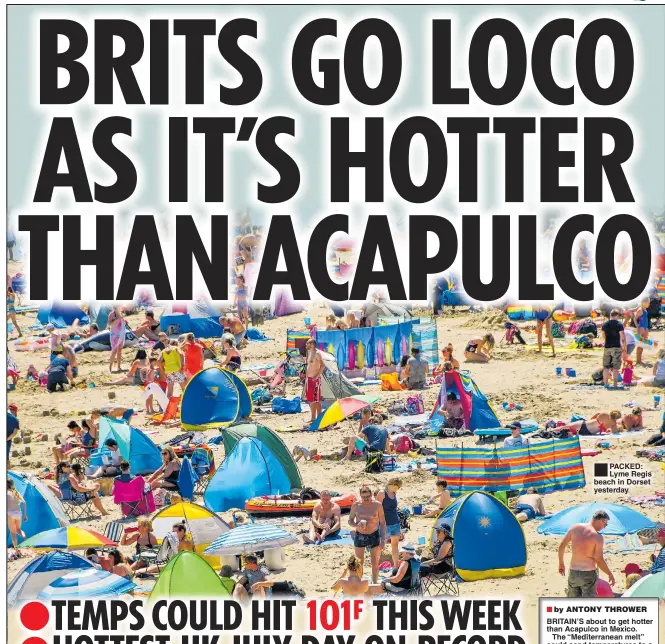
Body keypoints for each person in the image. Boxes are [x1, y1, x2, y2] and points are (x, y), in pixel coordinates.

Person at [558, 509, 615, 597]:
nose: (605, 526)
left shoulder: (575, 528)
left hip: (573, 572)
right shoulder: (597, 537)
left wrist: (561, 563)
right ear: (601, 520)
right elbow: (599, 560)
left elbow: (562, 546)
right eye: (605, 524)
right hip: (588, 573)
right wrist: (609, 573)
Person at [348, 485, 386, 583]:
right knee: (359, 562)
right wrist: (356, 525)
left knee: (375, 562)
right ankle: (360, 583)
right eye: (363, 497)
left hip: (374, 534)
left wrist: (383, 539)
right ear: (360, 496)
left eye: (368, 497)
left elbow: (382, 522)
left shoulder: (377, 505)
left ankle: (375, 583)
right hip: (360, 535)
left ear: (371, 495)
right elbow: (350, 521)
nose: (366, 499)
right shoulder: (356, 505)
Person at [376, 478, 403, 566]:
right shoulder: (382, 493)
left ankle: (396, 567)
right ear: (391, 484)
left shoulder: (394, 493)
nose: (397, 489)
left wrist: (400, 528)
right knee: (380, 547)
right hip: (385, 524)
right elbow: (376, 509)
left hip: (396, 523)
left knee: (395, 547)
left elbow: (395, 509)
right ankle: (375, 566)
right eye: (397, 487)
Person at [602, 309, 626, 388]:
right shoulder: (619, 324)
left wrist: (605, 342)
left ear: (610, 315)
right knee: (616, 367)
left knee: (606, 367)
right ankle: (615, 385)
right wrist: (624, 345)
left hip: (607, 347)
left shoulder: (605, 324)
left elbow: (603, 335)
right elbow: (622, 336)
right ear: (617, 316)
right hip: (616, 347)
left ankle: (606, 384)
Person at [305, 338, 325, 424]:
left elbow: (323, 365)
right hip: (309, 379)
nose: (306, 345)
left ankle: (319, 417)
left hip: (315, 379)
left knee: (317, 399)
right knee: (311, 399)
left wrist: (317, 376)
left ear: (312, 344)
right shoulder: (310, 353)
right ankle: (313, 418)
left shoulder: (317, 353)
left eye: (307, 343)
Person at [7, 477, 27, 549]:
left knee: (13, 533)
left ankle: (16, 549)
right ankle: (25, 538)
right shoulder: (15, 492)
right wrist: (25, 515)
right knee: (18, 530)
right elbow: (24, 503)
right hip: (19, 513)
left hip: (10, 513)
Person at [107, 308, 127, 373]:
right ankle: (110, 367)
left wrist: (124, 322)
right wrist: (118, 319)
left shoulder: (121, 313)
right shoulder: (112, 314)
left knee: (120, 351)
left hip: (121, 334)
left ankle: (118, 367)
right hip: (114, 335)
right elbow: (110, 324)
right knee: (114, 350)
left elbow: (122, 323)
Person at [634, 299, 650, 367]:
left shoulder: (645, 309)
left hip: (645, 327)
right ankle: (638, 360)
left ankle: (640, 360)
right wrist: (637, 327)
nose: (649, 304)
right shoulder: (640, 310)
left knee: (643, 344)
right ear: (644, 302)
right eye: (648, 302)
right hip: (641, 328)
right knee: (640, 344)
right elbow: (635, 318)